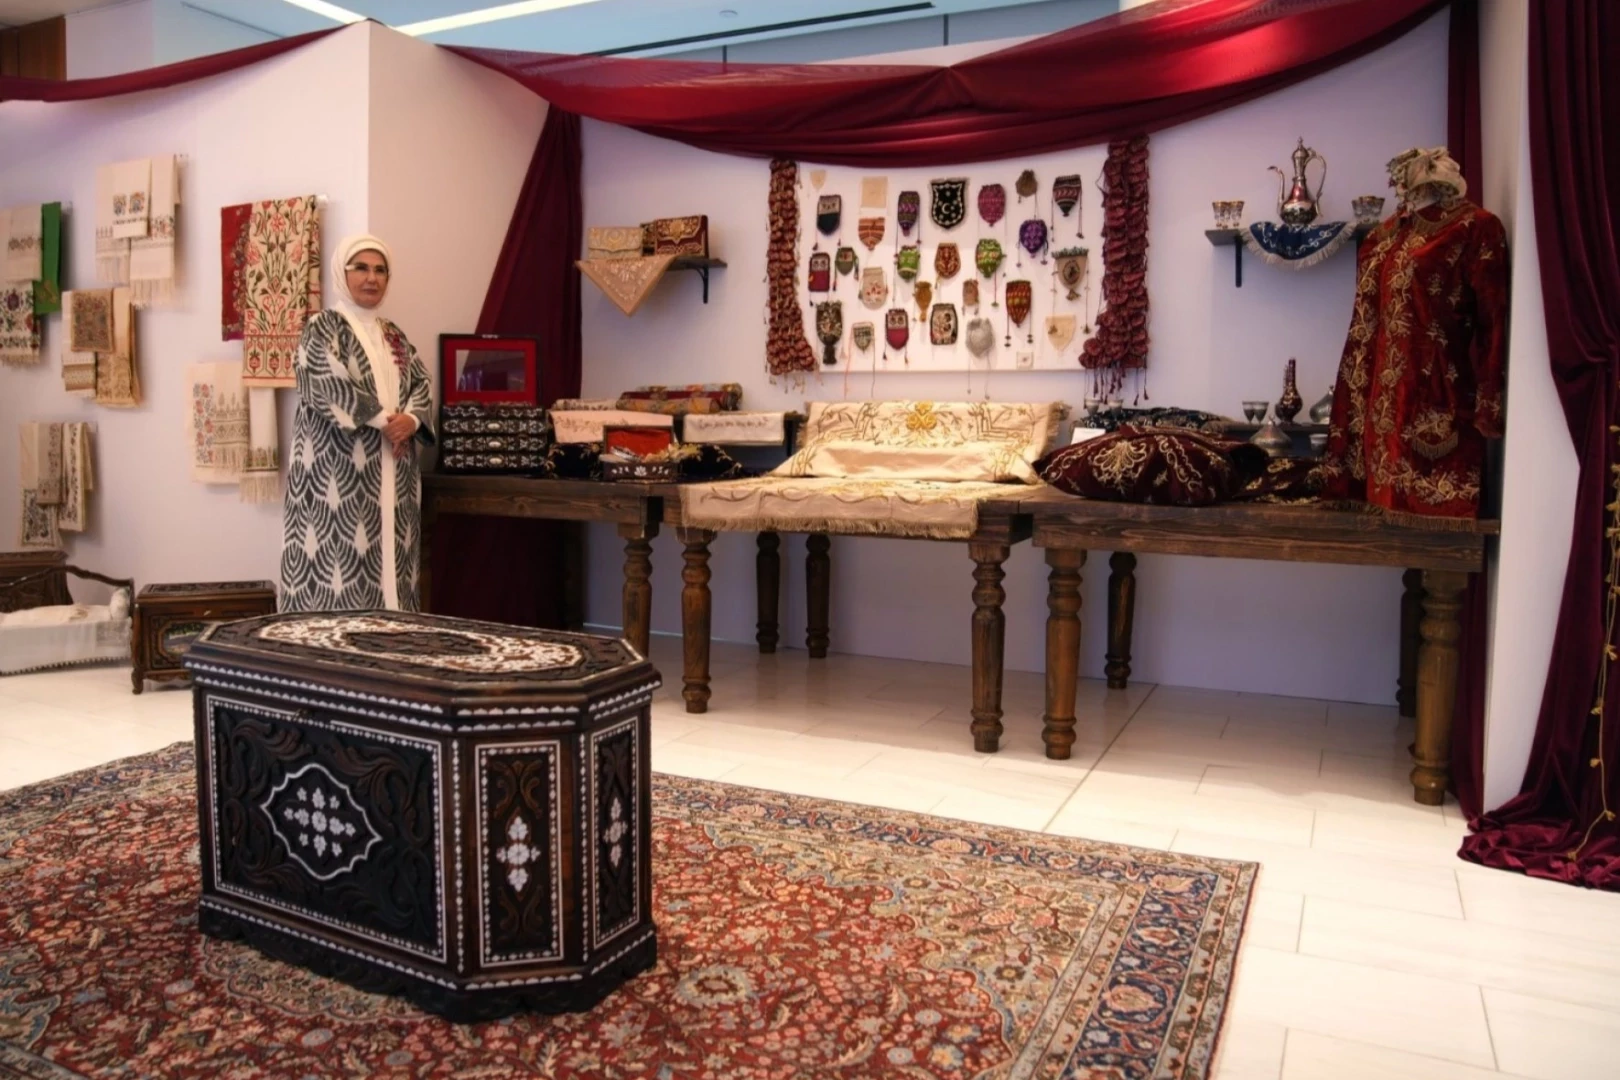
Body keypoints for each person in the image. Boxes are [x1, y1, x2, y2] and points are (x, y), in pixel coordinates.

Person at [280, 234, 435, 612]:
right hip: (338, 473)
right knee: (338, 563)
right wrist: (384, 421)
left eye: (381, 270)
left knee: (393, 567)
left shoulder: (394, 335)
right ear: (341, 273)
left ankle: (391, 640)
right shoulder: (323, 328)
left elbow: (422, 382)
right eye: (361, 268)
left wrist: (411, 419)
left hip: (394, 472)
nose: (372, 278)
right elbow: (324, 381)